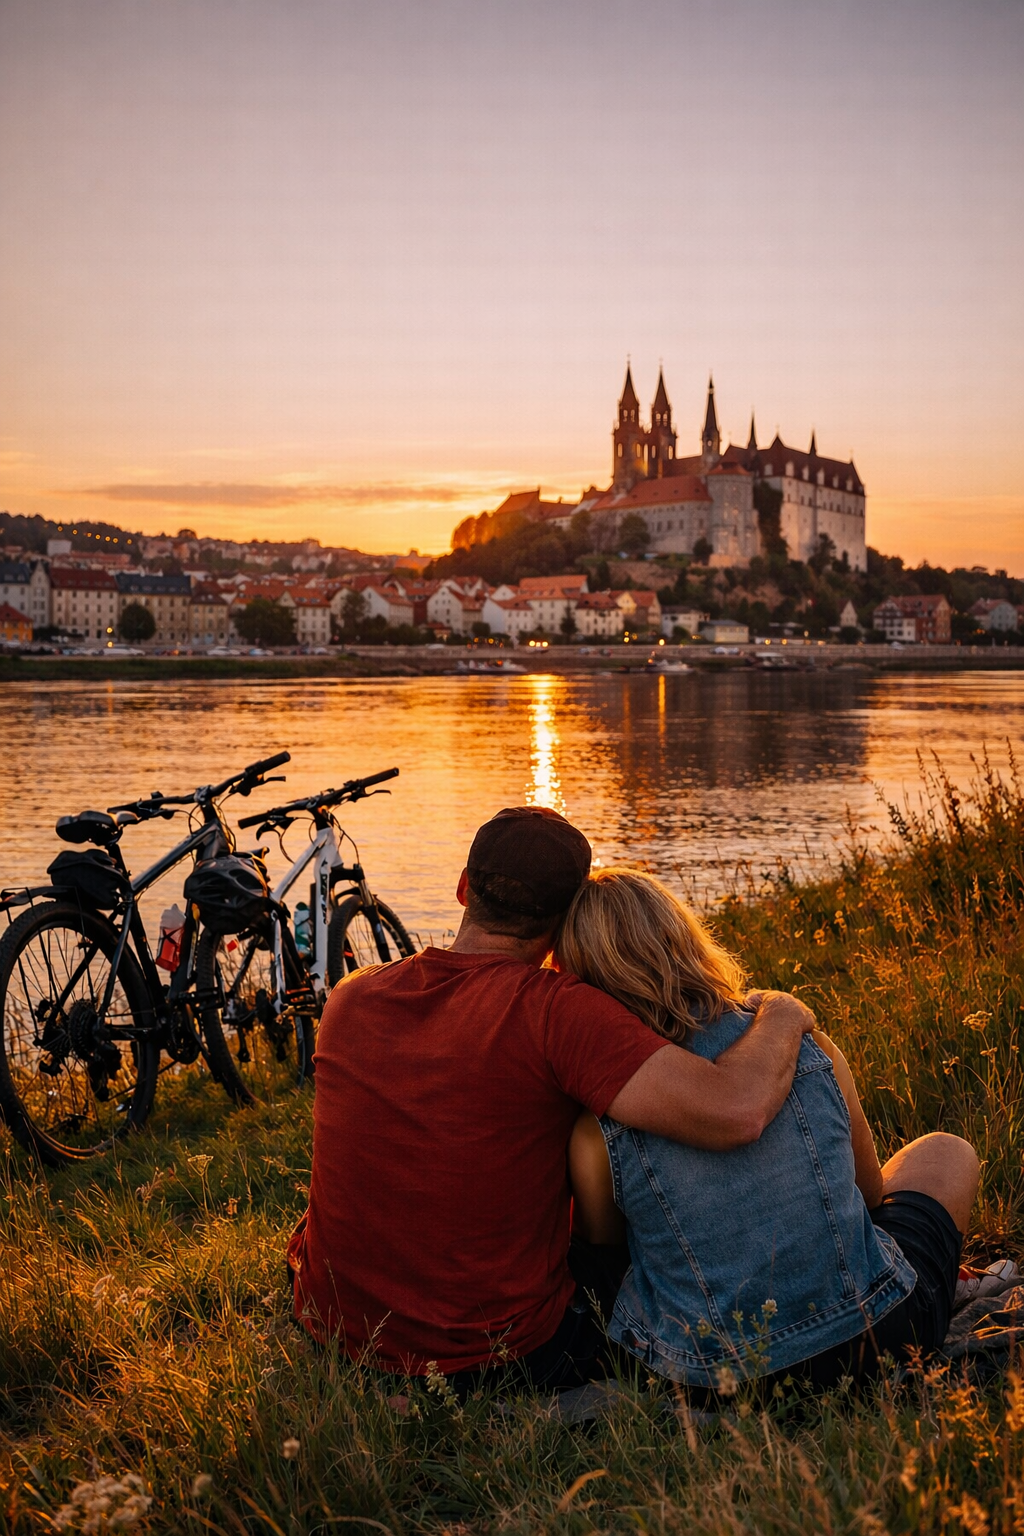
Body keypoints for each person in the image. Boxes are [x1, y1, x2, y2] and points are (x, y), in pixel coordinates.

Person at [287, 807, 816, 1390]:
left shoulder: (350, 998)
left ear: (463, 888)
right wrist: (782, 1010)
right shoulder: (554, 1009)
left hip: (335, 1329)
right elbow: (735, 1111)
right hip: (499, 1359)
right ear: (568, 924)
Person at [561, 867, 988, 1395]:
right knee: (946, 1151)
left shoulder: (595, 1125)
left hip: (711, 1377)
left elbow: (606, 1257)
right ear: (684, 938)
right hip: (876, 1339)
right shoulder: (806, 1048)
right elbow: (870, 1195)